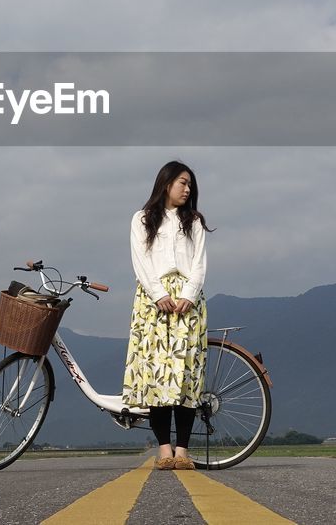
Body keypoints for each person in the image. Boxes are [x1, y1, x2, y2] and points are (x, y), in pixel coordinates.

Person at [122, 160, 211, 471]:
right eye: (182, 183)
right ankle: (164, 450)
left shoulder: (195, 221)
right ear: (166, 183)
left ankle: (183, 449)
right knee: (157, 375)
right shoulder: (142, 218)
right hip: (152, 301)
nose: (187, 189)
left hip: (189, 301)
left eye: (190, 185)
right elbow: (140, 260)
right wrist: (158, 293)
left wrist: (188, 294)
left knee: (186, 374)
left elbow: (199, 264)